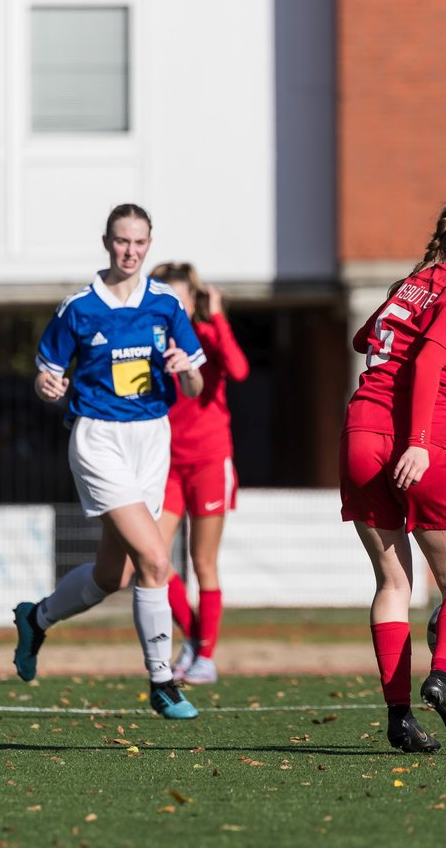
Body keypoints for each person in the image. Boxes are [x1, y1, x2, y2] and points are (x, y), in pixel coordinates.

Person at [12, 204, 207, 720]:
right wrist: (46, 384)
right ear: (106, 242)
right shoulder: (77, 308)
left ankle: (37, 619)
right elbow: (46, 375)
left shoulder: (166, 304)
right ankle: (162, 681)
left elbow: (196, 384)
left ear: (149, 244)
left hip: (152, 439)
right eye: (122, 242)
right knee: (156, 561)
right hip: (99, 440)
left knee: (112, 577)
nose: (130, 251)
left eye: (140, 243)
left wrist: (186, 370)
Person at [341, 184, 446, 753]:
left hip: (361, 434)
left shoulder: (413, 284)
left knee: (392, 583)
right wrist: (416, 441)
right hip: (428, 441)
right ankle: (442, 679)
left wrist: (413, 292)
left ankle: (399, 718)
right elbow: (432, 360)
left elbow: (365, 338)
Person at [150, 262, 250, 685]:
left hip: (209, 460)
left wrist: (219, 314)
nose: (174, 306)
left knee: (202, 561)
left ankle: (204, 657)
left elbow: (240, 370)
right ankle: (196, 638)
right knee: (152, 556)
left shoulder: (207, 336)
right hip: (166, 464)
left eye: (181, 298)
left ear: (193, 301)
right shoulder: (150, 342)